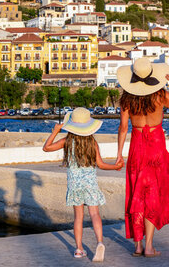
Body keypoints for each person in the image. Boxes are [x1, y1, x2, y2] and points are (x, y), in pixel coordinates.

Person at [116, 58, 169, 258]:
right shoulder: (160, 95)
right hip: (155, 148)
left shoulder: (127, 99)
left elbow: (123, 128)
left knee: (137, 194)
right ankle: (149, 246)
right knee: (151, 196)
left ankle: (137, 245)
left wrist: (119, 154)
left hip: (136, 147)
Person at [43, 107, 124, 262]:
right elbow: (100, 164)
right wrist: (115, 166)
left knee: (78, 217)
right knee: (95, 214)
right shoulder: (92, 142)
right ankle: (100, 242)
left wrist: (55, 131)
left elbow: (46, 148)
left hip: (75, 185)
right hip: (90, 184)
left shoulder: (67, 141)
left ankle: (79, 249)